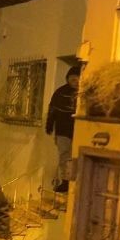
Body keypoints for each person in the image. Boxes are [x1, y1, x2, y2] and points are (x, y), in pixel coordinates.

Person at [45, 65, 81, 193]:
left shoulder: (82, 94)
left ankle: (76, 182)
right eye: (72, 79)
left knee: (77, 156)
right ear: (68, 79)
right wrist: (49, 124)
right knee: (64, 156)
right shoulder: (60, 93)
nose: (75, 82)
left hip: (79, 131)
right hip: (62, 131)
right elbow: (53, 110)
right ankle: (65, 182)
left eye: (78, 79)